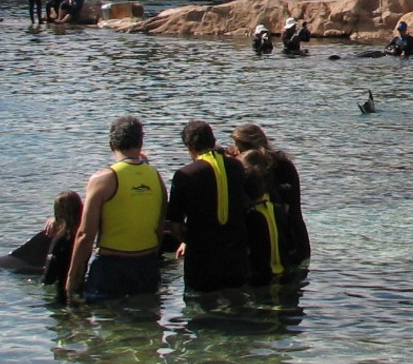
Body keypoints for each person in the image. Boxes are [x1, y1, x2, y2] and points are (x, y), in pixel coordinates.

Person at [65, 115, 166, 303]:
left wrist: (73, 279)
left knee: (107, 325)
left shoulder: (103, 180)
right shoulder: (156, 177)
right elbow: (159, 229)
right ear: (140, 143)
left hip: (112, 269)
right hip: (146, 268)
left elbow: (85, 235)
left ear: (112, 144)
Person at [166, 120, 249, 293]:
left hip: (202, 259)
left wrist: (185, 241)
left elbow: (174, 223)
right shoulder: (237, 166)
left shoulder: (184, 175)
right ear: (213, 141)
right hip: (236, 257)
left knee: (200, 309)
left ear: (189, 146)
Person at [231, 123, 310, 267]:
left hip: (289, 238)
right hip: (273, 239)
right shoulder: (250, 166)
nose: (236, 150)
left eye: (238, 146)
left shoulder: (280, 165)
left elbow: (284, 209)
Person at [41, 189, 83, 304]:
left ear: (58, 213)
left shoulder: (60, 240)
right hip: (80, 286)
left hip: (61, 293)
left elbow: (49, 277)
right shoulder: (82, 237)